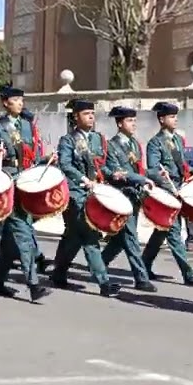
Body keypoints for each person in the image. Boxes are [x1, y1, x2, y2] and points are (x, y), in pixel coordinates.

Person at [0, 86, 53, 301]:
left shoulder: (28, 126)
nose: (20, 103)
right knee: (22, 233)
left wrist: (47, 158)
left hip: (27, 181)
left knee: (11, 240)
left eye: (22, 99)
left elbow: (34, 156)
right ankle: (33, 284)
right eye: (15, 100)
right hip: (10, 182)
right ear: (5, 102)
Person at [49, 99, 121, 297]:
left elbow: (101, 166)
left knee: (73, 236)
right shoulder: (68, 140)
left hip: (94, 193)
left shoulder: (98, 139)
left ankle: (58, 272)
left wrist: (113, 173)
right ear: (76, 117)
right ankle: (103, 282)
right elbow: (65, 164)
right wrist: (82, 179)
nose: (91, 116)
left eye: (92, 113)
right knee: (90, 235)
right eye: (86, 113)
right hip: (76, 194)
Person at [142, 101, 193, 286]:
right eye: (171, 117)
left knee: (162, 231)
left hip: (180, 188)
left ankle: (144, 264)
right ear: (162, 119)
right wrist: (165, 182)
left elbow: (182, 165)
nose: (175, 120)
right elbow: (153, 169)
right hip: (167, 191)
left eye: (176, 116)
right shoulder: (155, 143)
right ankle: (188, 274)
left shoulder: (177, 140)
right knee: (174, 232)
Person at [99, 106, 157, 292]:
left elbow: (139, 170)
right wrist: (141, 179)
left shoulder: (134, 144)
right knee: (131, 237)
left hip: (135, 196)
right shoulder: (111, 145)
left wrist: (157, 176)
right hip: (121, 196)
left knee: (119, 239)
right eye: (129, 121)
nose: (134, 124)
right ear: (119, 123)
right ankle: (141, 278)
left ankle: (98, 264)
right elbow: (111, 171)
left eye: (134, 120)